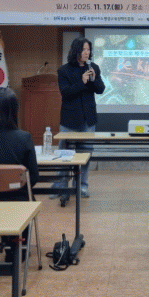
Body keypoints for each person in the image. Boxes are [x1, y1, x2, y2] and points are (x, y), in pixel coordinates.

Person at [57, 36, 105, 198]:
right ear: (76, 51)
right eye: (84, 49)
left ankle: (82, 186)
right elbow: (66, 93)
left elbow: (100, 89)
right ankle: (61, 186)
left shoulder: (94, 67)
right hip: (69, 120)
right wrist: (81, 82)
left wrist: (93, 79)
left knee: (85, 154)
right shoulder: (64, 70)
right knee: (65, 155)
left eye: (88, 49)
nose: (87, 52)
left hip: (88, 119)